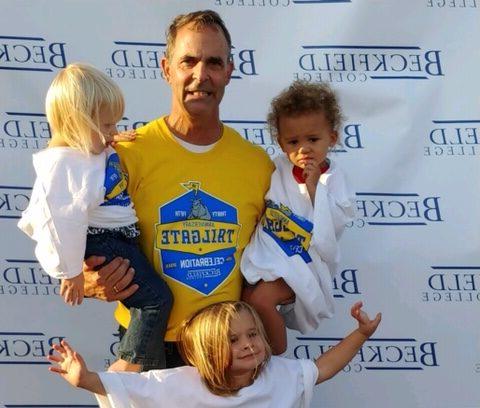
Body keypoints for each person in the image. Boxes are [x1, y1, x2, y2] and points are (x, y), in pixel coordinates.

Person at [82, 10, 273, 368]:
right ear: (166, 68)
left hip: (231, 352)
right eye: (189, 61)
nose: (201, 75)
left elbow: (282, 256)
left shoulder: (259, 165)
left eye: (214, 62)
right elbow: (70, 227)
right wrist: (87, 279)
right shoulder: (125, 155)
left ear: (230, 71)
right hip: (149, 349)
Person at [18, 63, 173, 372]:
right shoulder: (64, 163)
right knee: (155, 301)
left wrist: (114, 138)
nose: (112, 133)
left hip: (117, 238)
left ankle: (140, 373)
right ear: (76, 125)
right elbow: (59, 220)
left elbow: (102, 158)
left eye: (115, 123)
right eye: (105, 125)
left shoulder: (90, 151)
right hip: (104, 241)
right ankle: (126, 371)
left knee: (152, 301)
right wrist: (70, 270)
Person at [48, 300, 381, 407]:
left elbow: (323, 368)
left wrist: (361, 334)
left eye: (252, 335)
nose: (248, 344)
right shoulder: (181, 383)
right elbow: (129, 388)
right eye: (233, 340)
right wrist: (85, 379)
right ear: (207, 354)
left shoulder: (279, 375)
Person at [241, 81, 355, 354]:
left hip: (302, 264)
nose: (303, 149)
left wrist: (315, 187)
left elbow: (335, 226)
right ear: (281, 143)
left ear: (332, 137)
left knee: (262, 301)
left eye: (313, 140)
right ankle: (256, 357)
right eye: (293, 141)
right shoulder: (277, 168)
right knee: (245, 302)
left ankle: (277, 359)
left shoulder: (334, 179)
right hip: (268, 256)